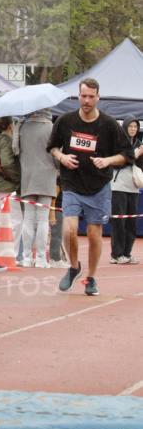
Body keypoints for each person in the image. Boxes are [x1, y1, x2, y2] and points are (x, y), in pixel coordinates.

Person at [47, 78, 132, 297]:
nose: (86, 100)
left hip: (99, 186)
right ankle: (74, 266)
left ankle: (91, 277)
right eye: (83, 96)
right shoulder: (65, 121)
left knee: (95, 236)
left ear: (98, 97)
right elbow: (52, 147)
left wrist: (108, 161)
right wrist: (62, 156)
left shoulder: (109, 124)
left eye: (91, 97)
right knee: (69, 229)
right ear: (78, 96)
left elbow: (126, 155)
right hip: (72, 183)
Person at [14, 108, 58, 268]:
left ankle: (26, 257)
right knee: (42, 219)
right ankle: (40, 258)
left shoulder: (23, 126)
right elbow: (57, 154)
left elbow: (17, 152)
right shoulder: (51, 128)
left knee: (28, 219)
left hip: (27, 176)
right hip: (47, 177)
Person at [0, 116, 22, 261]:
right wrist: (16, 178)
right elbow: (7, 164)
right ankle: (10, 254)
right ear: (10, 125)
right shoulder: (7, 141)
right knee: (15, 221)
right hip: (6, 185)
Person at [110, 116, 142, 264]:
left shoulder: (138, 144)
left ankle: (127, 253)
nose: (133, 129)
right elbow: (116, 164)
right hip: (119, 187)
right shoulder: (118, 143)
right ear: (125, 127)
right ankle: (116, 255)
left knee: (131, 222)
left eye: (135, 127)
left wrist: (140, 156)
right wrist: (134, 155)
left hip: (134, 188)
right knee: (119, 221)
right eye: (131, 126)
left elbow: (139, 165)